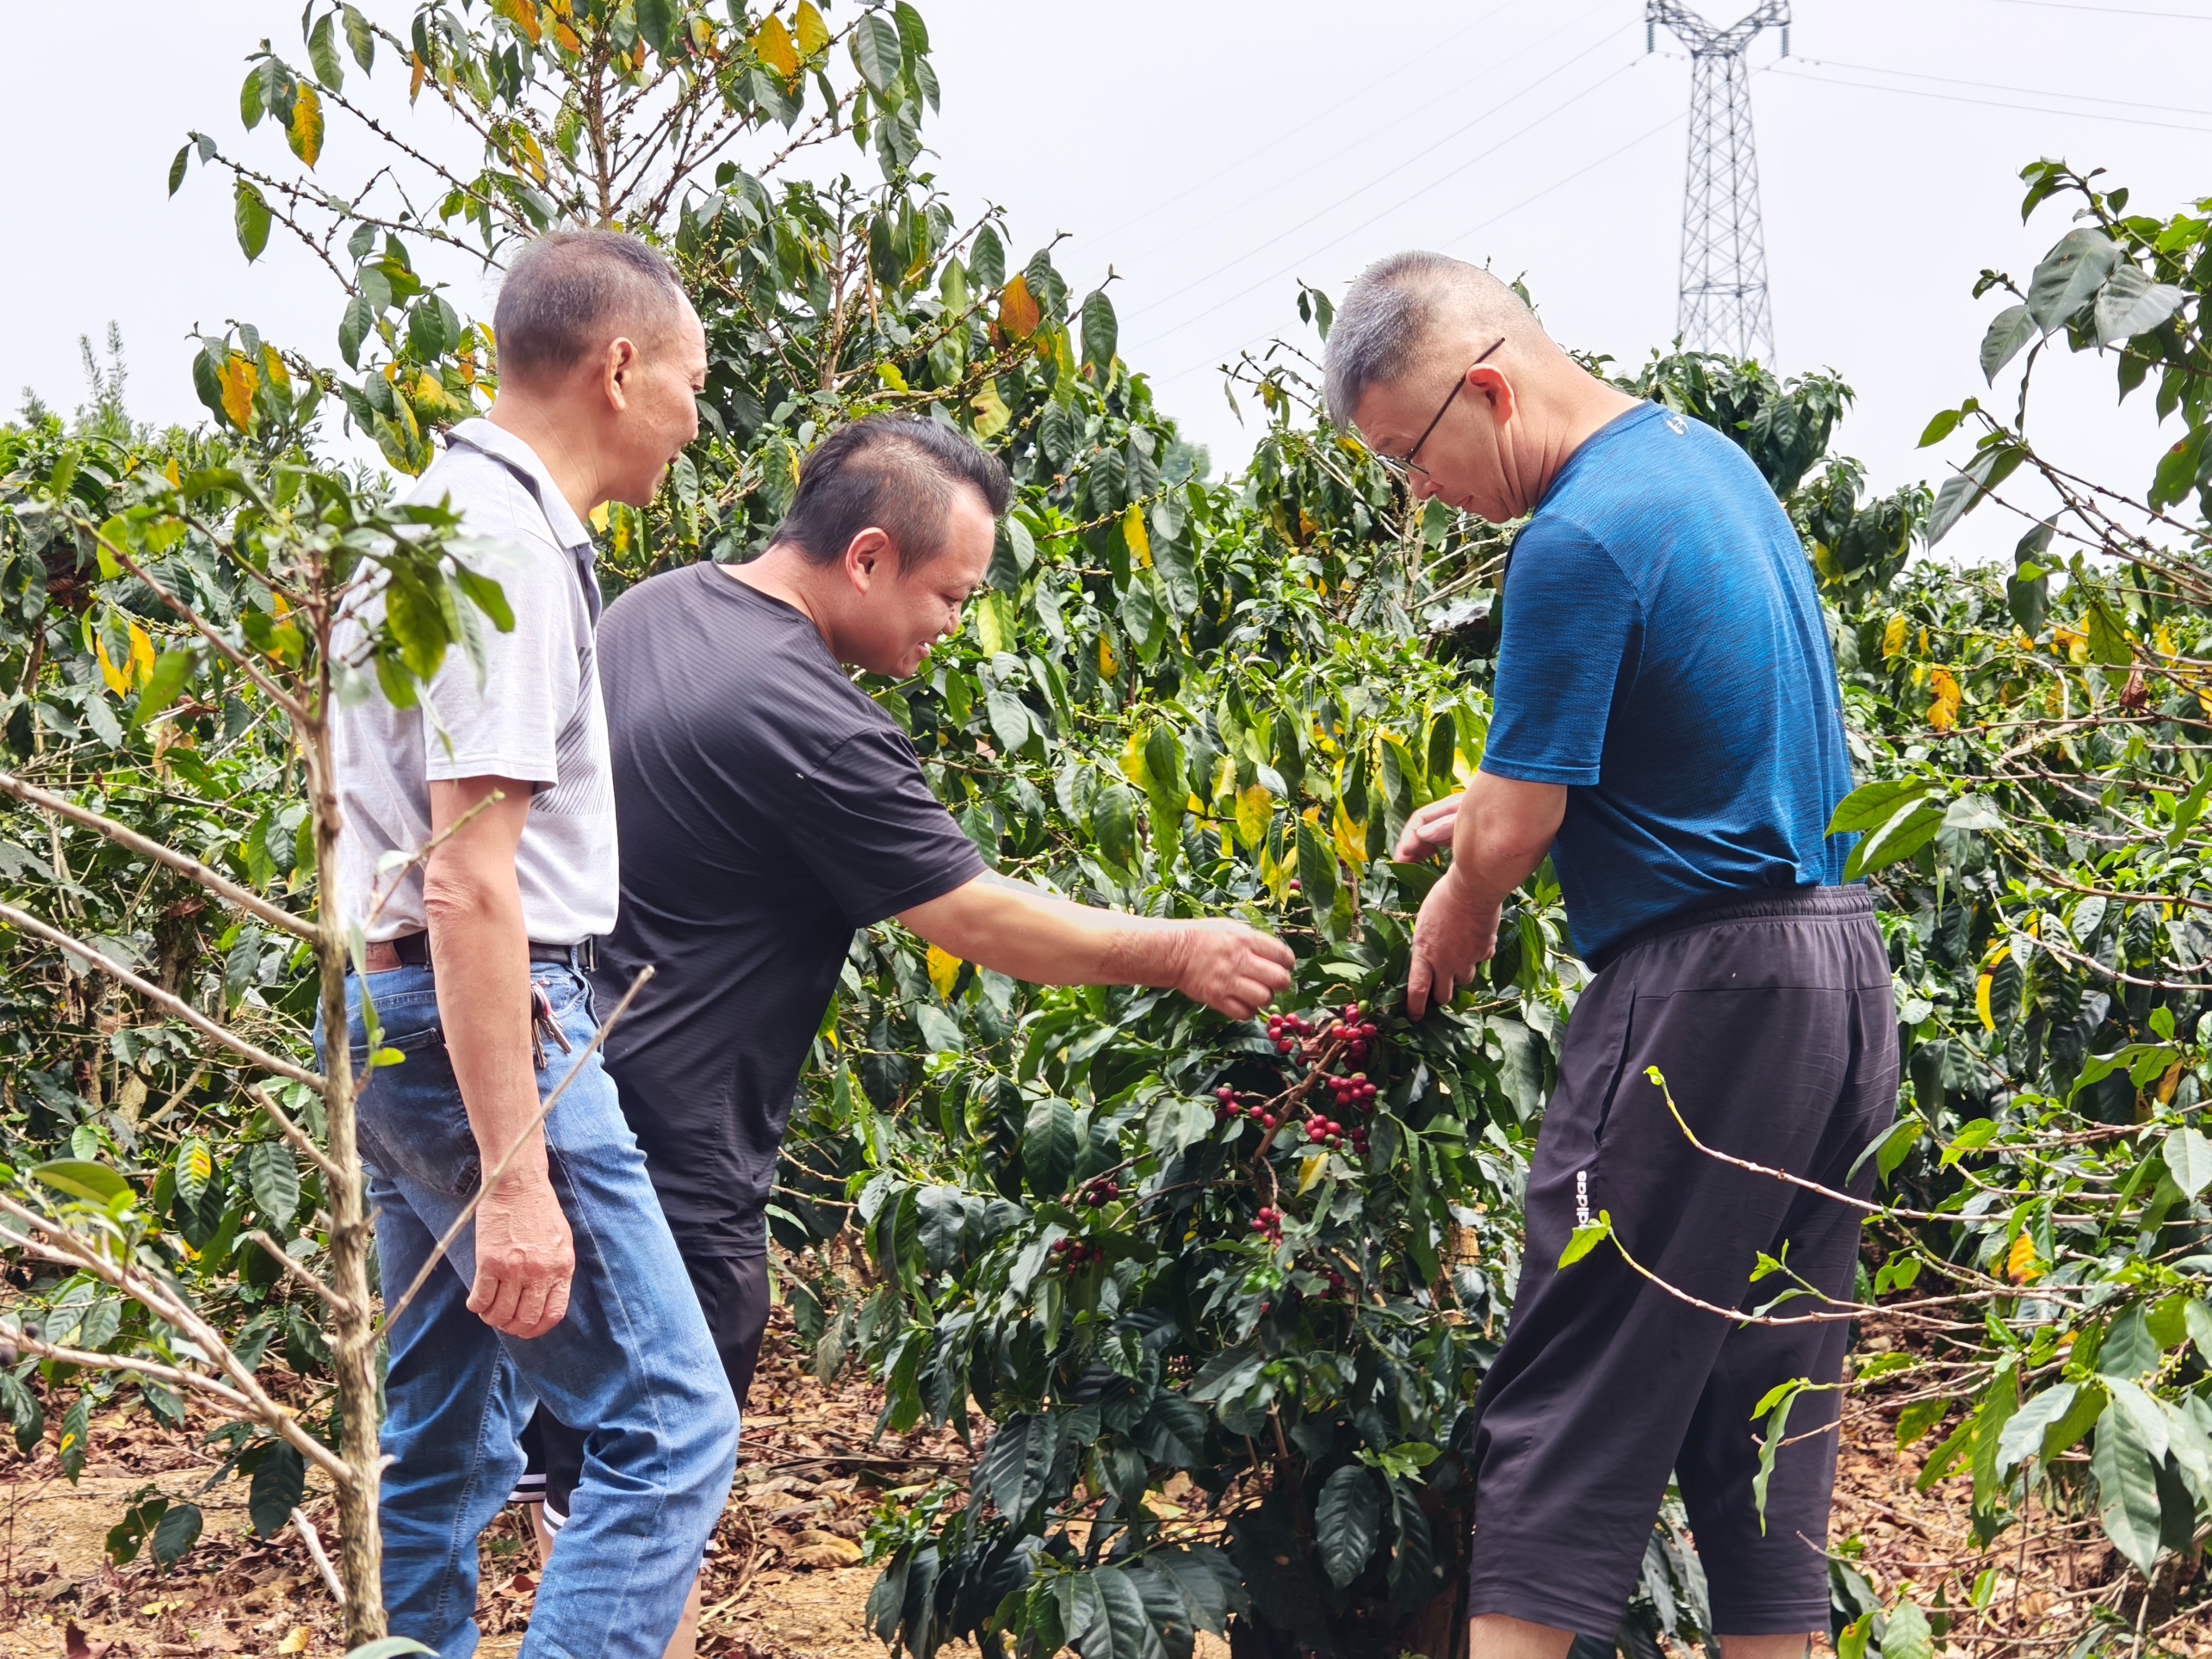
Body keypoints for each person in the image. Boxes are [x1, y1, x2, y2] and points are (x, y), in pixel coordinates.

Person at [516, 414, 1294, 1645]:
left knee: (576, 1475)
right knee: (658, 1484)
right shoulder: (806, 717)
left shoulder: (656, 608)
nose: (951, 622)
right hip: (678, 1157)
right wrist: (1180, 949)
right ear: (869, 557)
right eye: (948, 593)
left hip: (557, 1104)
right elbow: (976, 917)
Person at [1322, 253, 1897, 1659]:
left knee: (1570, 1397)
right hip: (1835, 979)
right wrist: (1507, 810)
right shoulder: (1707, 466)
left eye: (1410, 453)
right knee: (1766, 1414)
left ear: (1491, 383)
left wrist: (1468, 888)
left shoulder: (1571, 539)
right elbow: (1704, 728)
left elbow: (1515, 835)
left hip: (1705, 998)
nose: (1422, 493)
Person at [330, 228, 738, 1659]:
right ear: (619, 369)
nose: (698, 415)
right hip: (487, 1020)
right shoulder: (502, 541)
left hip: (391, 1013)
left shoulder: (428, 511)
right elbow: (471, 883)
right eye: (691, 378)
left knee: (445, 1429)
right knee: (669, 1430)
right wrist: (516, 1174)